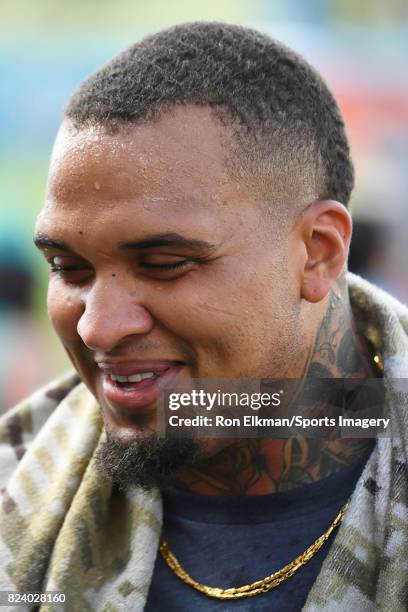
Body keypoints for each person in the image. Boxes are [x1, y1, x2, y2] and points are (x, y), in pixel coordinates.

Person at [0, 22, 407, 612]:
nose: (97, 328)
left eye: (164, 264)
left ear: (318, 252)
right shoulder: (17, 486)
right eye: (69, 267)